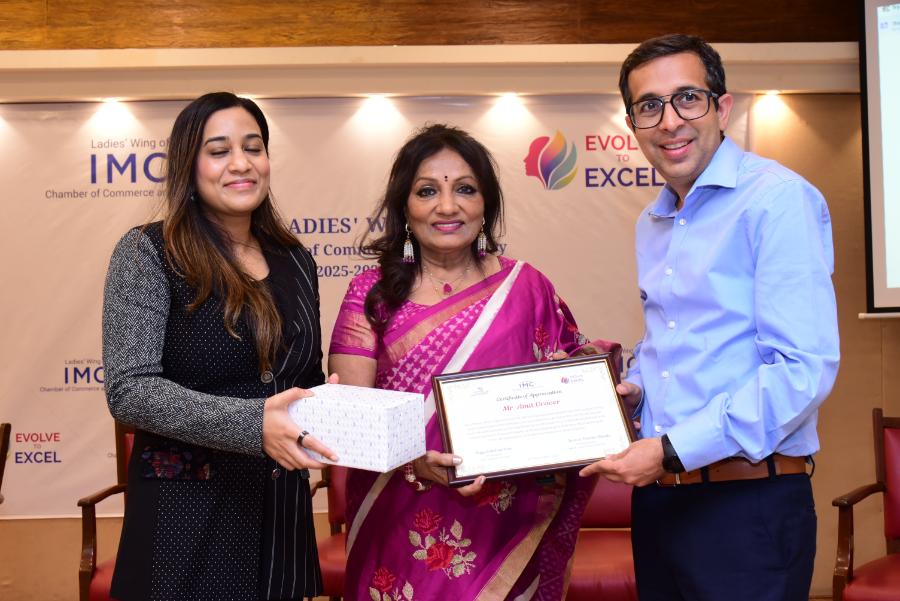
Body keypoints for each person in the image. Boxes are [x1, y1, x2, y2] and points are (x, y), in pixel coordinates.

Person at [580, 34, 840, 601]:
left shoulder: (776, 200)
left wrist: (672, 448)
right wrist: (637, 392)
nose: (670, 121)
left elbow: (802, 370)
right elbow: (674, 343)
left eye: (687, 98)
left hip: (746, 506)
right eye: (649, 106)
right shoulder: (653, 222)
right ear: (633, 125)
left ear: (721, 108)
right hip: (661, 504)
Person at [329, 124, 619, 600]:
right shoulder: (372, 294)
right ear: (405, 206)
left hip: (506, 522)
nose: (448, 206)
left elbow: (571, 372)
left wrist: (587, 389)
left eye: (465, 189)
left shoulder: (527, 286)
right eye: (427, 191)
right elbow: (351, 416)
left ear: (486, 205)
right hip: (400, 518)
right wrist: (415, 461)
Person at [102, 92, 336, 601]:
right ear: (189, 165)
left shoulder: (296, 260)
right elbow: (130, 391)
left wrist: (332, 405)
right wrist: (253, 424)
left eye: (253, 147)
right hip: (185, 518)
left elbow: (303, 381)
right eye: (219, 150)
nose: (241, 163)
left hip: (279, 513)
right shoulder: (149, 253)